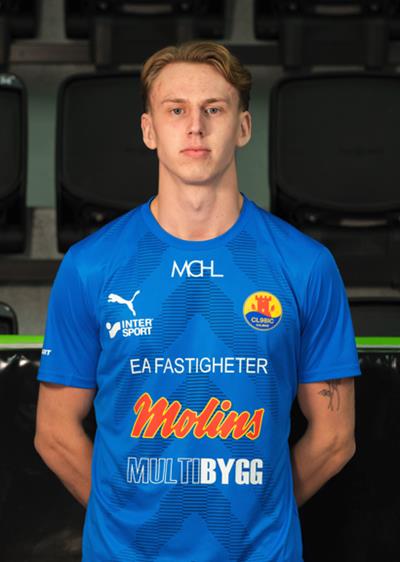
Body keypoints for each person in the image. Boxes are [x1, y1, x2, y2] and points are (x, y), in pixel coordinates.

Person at [35, 41, 361, 561]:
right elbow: (53, 432)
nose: (195, 127)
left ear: (244, 127)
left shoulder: (305, 266)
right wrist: (126, 525)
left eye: (214, 109)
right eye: (176, 110)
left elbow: (335, 438)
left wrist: (259, 517)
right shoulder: (90, 266)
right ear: (148, 131)